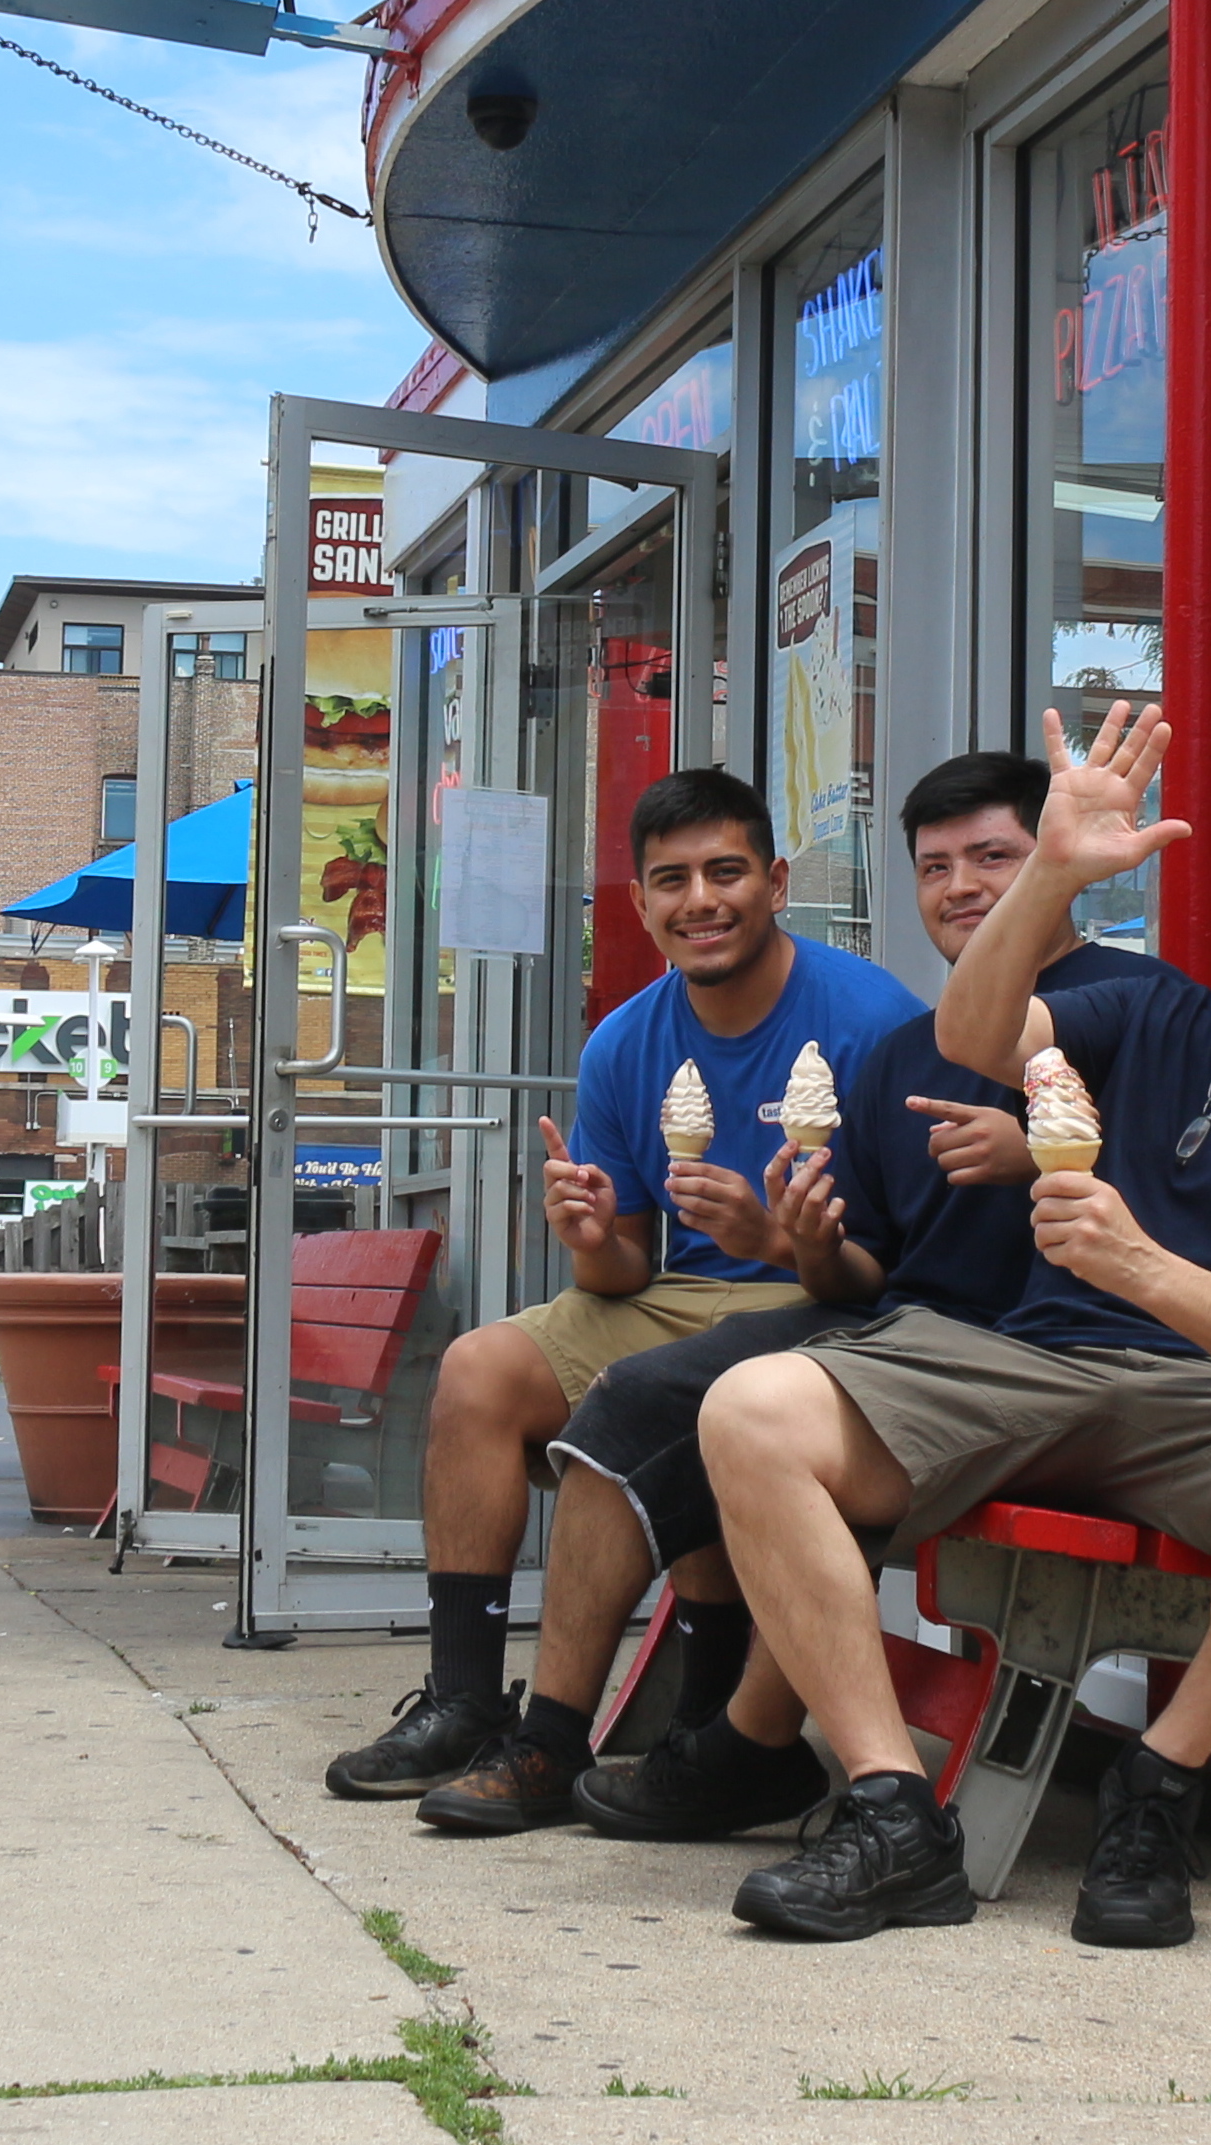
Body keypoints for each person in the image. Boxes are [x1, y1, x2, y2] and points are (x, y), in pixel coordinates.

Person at [700, 712, 1211, 1948]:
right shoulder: (1151, 1018)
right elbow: (972, 1038)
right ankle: (894, 1814)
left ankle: (1154, 1789)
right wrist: (1047, 865)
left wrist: (1143, 1268)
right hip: (1026, 1363)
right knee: (750, 1410)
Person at [406, 749, 1200, 1836]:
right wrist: (803, 1243)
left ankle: (741, 1741)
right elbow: (866, 1268)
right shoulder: (908, 1043)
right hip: (900, 1325)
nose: (962, 886)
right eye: (935, 866)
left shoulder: (1137, 1009)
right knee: (631, 1401)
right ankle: (546, 1729)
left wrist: (1049, 1157)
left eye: (994, 858)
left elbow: (1197, 1203)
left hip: (1039, 1356)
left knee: (740, 1411)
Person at [321, 767, 919, 1798]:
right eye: (670, 879)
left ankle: (629, 1727)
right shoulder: (626, 1041)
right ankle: (465, 1698)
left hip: (830, 1303)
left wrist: (781, 1239)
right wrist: (589, 1233)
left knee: (632, 1402)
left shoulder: (870, 1021)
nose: (701, 901)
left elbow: (908, 1261)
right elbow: (626, 1269)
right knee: (477, 1368)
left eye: (726, 871)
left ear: (775, 881)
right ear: (638, 904)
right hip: (681, 1295)